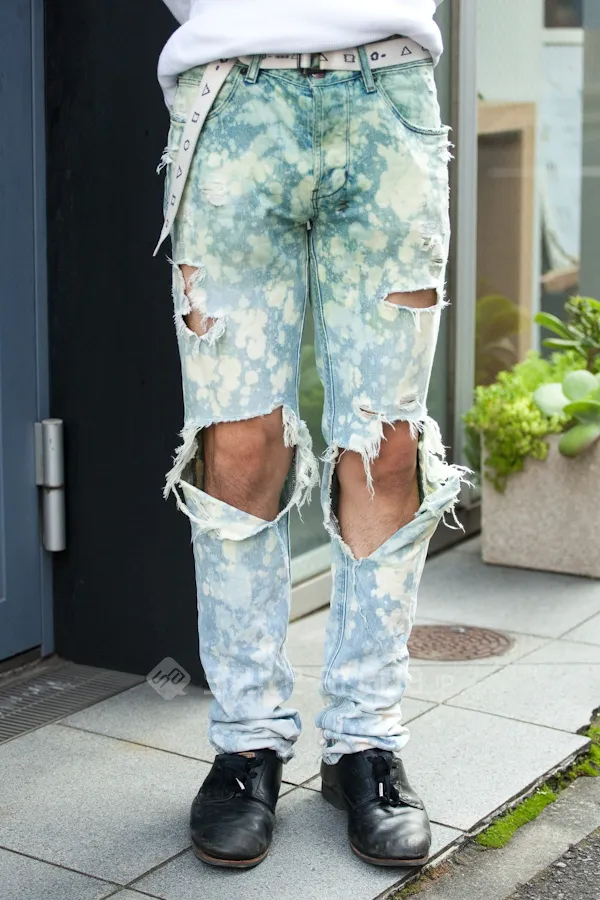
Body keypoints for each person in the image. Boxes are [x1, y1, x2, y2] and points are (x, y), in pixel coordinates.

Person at [156, 0, 466, 871]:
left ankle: (365, 744)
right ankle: (247, 743)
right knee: (237, 445)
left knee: (384, 445)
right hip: (231, 98)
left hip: (388, 93)